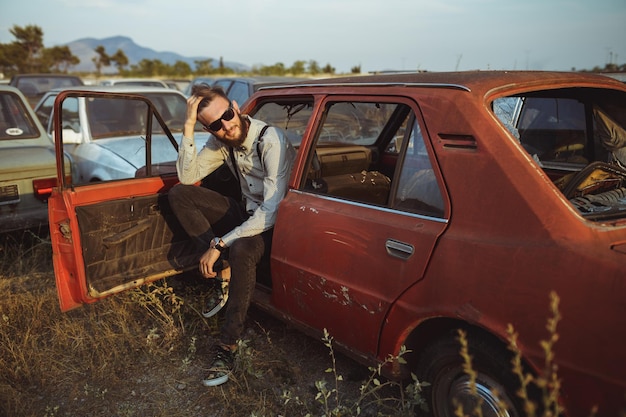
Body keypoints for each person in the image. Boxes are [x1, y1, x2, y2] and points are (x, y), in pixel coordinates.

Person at [168, 84, 296, 386]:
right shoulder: (220, 141)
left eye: (227, 114)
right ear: (207, 128)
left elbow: (271, 211)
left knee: (240, 250)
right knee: (179, 194)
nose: (226, 125)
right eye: (215, 124)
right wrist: (187, 126)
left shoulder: (270, 140)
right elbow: (187, 177)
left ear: (236, 107)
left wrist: (220, 243)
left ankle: (227, 346)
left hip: (274, 225)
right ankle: (223, 269)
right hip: (246, 214)